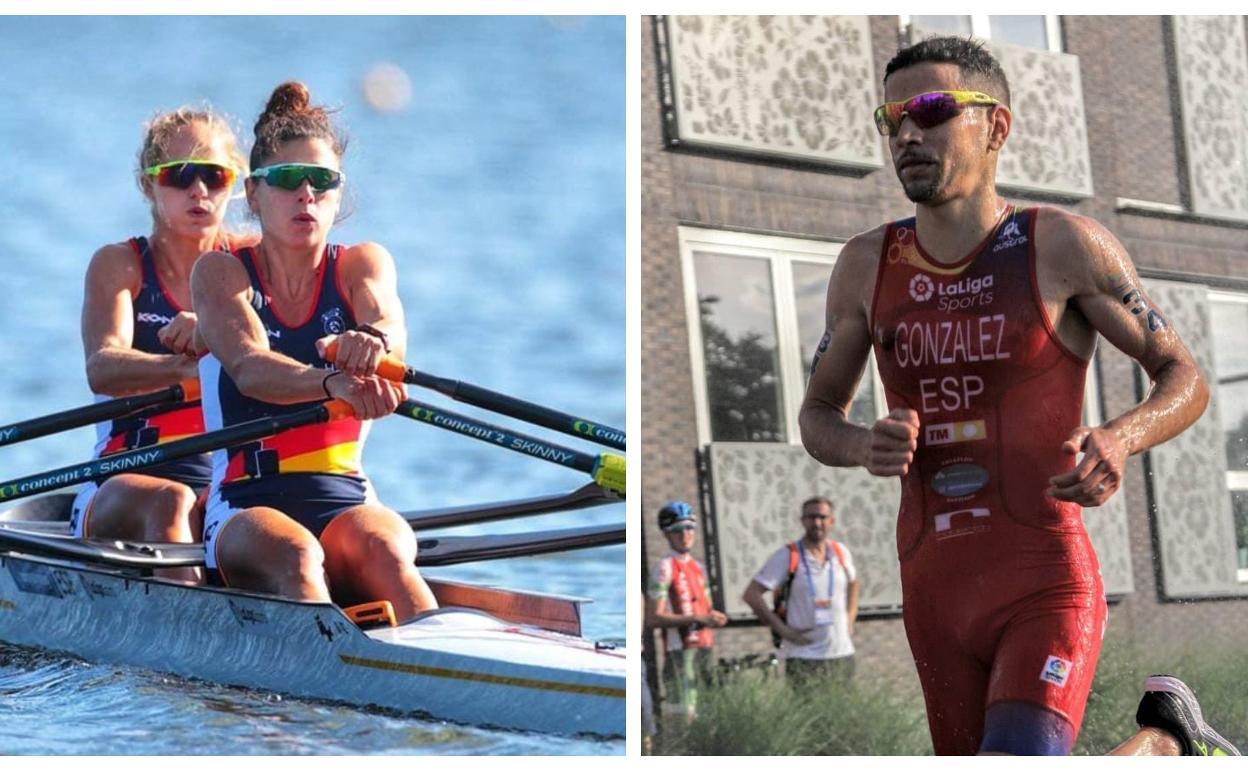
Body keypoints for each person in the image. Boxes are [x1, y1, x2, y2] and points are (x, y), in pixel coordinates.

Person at [797, 35, 1238, 756]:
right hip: (934, 591)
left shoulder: (1062, 245)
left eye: (932, 110)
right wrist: (861, 443)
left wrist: (1119, 438)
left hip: (1043, 578)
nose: (907, 132)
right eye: (893, 118)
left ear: (996, 126)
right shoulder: (864, 267)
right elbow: (818, 417)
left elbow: (1183, 376)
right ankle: (1164, 747)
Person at [190, 81, 438, 620]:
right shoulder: (220, 273)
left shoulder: (360, 264)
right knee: (298, 555)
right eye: (286, 180)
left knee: (389, 551)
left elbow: (388, 322)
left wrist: (372, 342)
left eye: (322, 181)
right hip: (246, 501)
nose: (306, 195)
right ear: (254, 195)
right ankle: (331, 686)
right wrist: (334, 382)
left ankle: (463, 673)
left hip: (346, 494)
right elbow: (252, 369)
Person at [71, 106, 254, 583]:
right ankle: (197, 638)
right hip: (125, 477)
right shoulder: (121, 266)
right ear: (148, 185)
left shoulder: (252, 263)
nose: (199, 191)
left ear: (234, 184)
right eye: (180, 175)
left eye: (214, 175)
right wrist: (189, 369)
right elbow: (104, 366)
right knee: (173, 503)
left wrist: (213, 325)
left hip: (230, 481)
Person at [742, 496, 859, 685]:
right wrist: (784, 631)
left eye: (822, 517)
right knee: (808, 713)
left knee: (845, 713)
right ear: (802, 520)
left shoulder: (840, 552)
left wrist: (850, 617)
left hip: (841, 653)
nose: (817, 523)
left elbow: (854, 583)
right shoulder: (788, 555)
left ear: (832, 521)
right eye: (811, 517)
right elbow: (752, 594)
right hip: (804, 657)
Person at [645, 500, 727, 721]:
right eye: (677, 530)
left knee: (710, 719)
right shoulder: (664, 567)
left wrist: (715, 618)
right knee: (682, 721)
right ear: (666, 534)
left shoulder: (699, 568)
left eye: (689, 528)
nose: (685, 535)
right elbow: (653, 618)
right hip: (678, 653)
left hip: (705, 650)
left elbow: (706, 611)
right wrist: (697, 618)